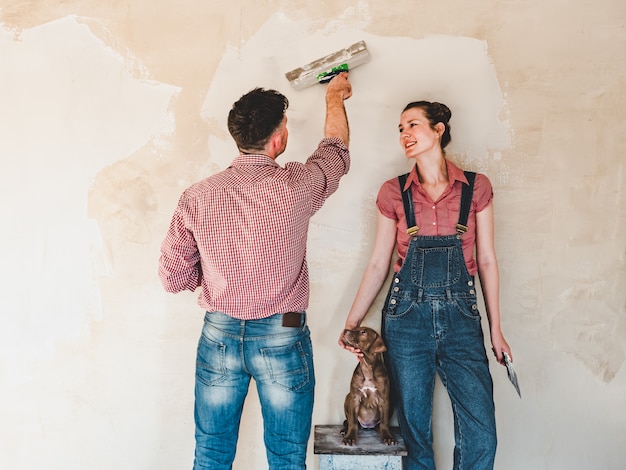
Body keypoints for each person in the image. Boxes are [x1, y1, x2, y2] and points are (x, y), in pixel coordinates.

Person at [159, 73, 352, 470]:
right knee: (286, 458)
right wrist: (334, 96)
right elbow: (336, 151)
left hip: (219, 334)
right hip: (284, 332)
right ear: (278, 138)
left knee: (211, 455)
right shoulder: (298, 186)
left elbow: (172, 277)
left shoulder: (197, 196)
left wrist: (216, 272)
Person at [339, 100, 511, 470]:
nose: (405, 135)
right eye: (400, 129)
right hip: (406, 320)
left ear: (439, 130)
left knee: (482, 431)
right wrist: (352, 325)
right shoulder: (393, 192)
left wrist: (496, 330)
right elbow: (378, 263)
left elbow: (486, 261)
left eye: (413, 125)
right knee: (414, 433)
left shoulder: (475, 188)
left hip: (461, 320)